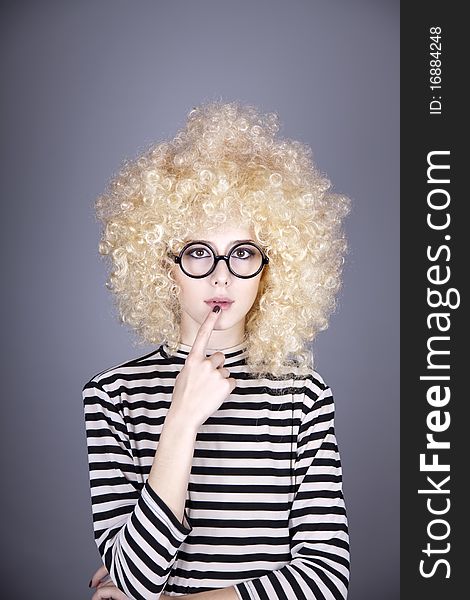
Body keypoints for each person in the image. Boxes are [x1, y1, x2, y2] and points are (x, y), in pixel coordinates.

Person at [83, 101, 351, 600]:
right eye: (198, 252)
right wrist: (181, 419)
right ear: (165, 266)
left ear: (272, 269)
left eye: (244, 253)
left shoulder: (304, 396)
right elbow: (135, 580)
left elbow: (325, 580)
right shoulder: (112, 396)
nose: (222, 275)